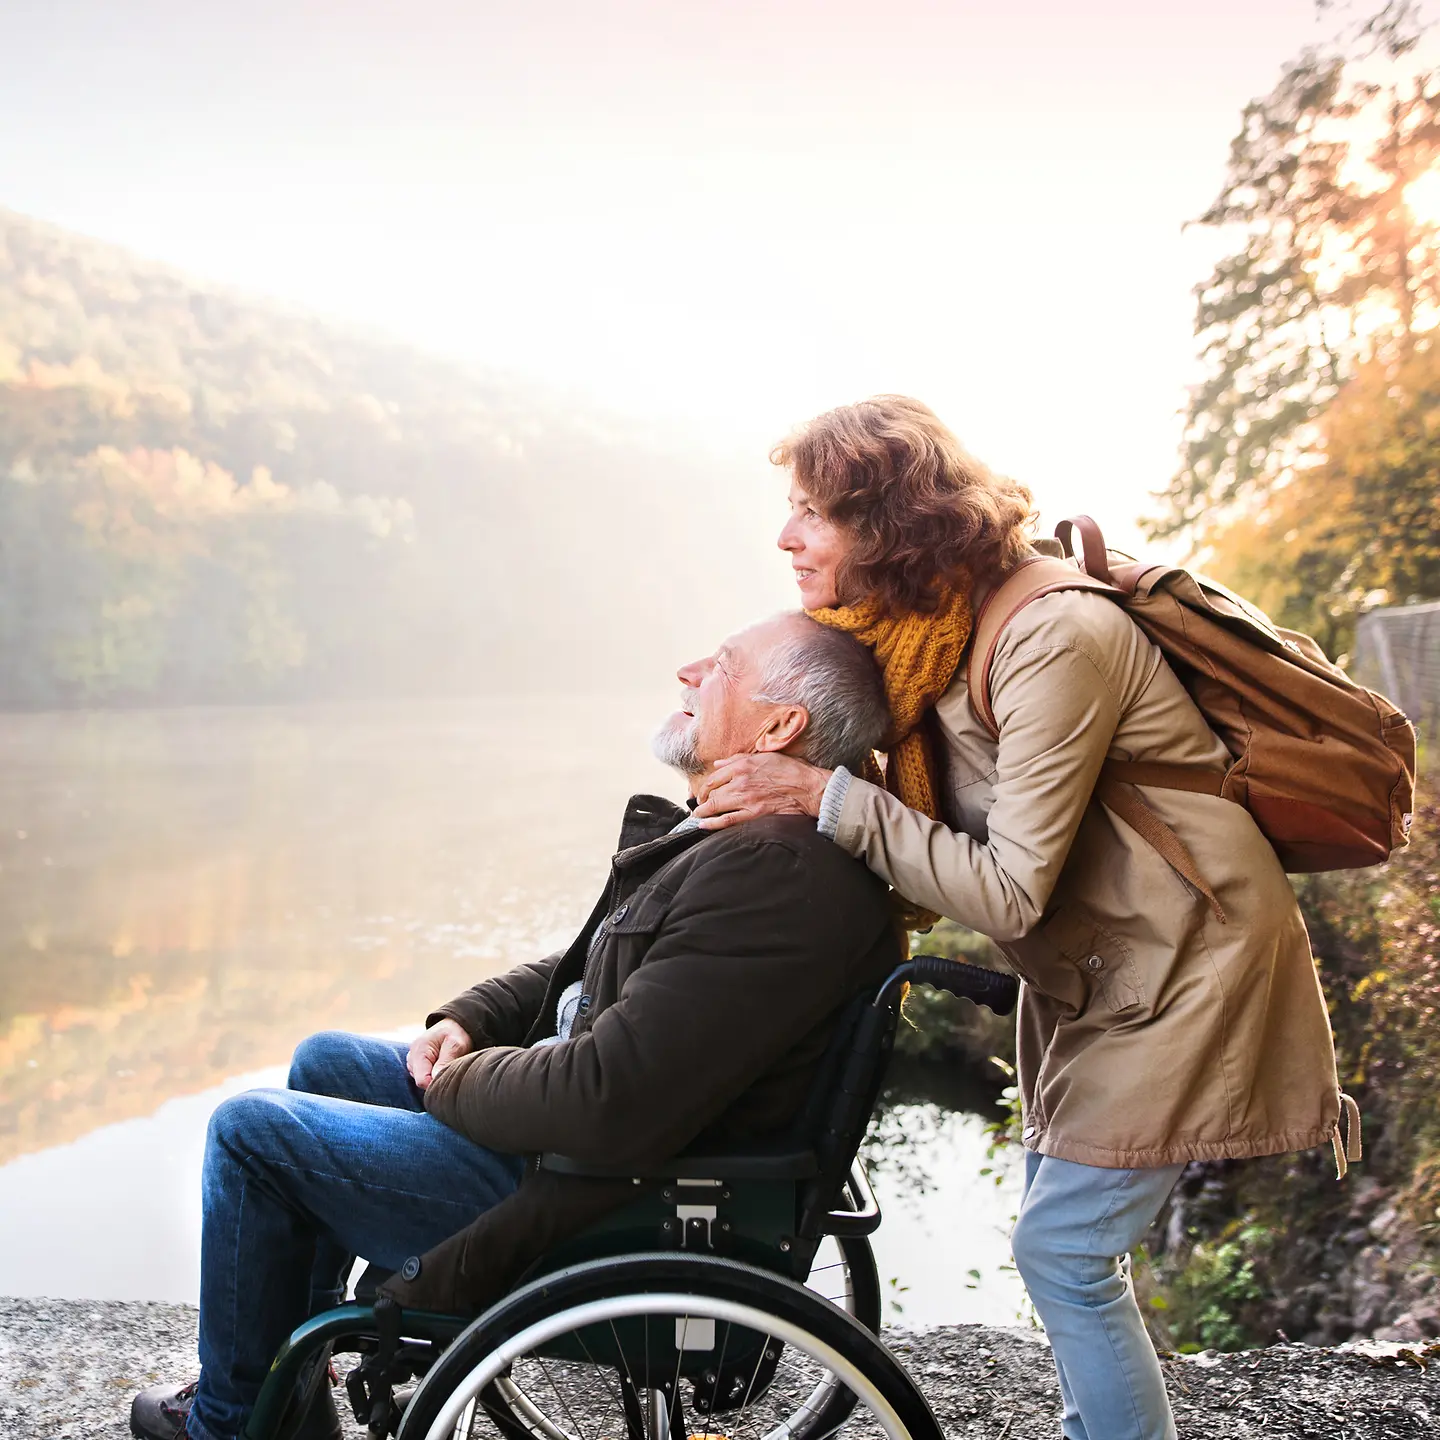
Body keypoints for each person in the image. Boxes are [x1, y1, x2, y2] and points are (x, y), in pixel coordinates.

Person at [692, 396, 1346, 1440]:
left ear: (890, 525)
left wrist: (827, 797)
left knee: (1066, 1251)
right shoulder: (923, 643)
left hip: (1187, 965)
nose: (786, 536)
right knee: (1065, 1244)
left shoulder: (1050, 637)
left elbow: (1009, 889)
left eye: (813, 512)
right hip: (1100, 970)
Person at [131, 611, 899, 1440]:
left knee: (250, 1136)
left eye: (720, 665)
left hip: (592, 1198)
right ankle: (285, 1395)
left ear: (780, 727)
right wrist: (471, 1018)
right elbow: (594, 964)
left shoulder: (774, 876)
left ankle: (231, 1425)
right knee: (326, 1062)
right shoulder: (741, 839)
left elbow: (603, 1097)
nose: (688, 671)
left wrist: (455, 1084)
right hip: (582, 1153)